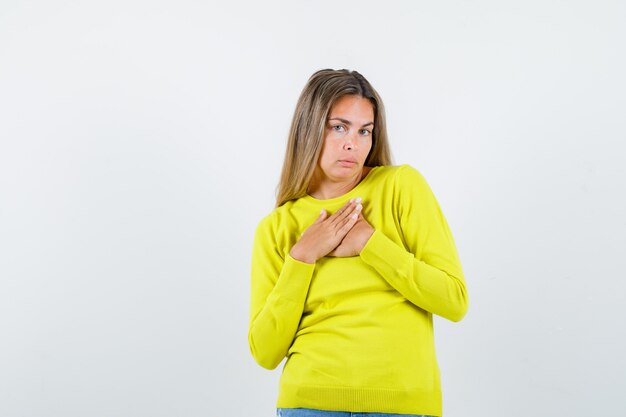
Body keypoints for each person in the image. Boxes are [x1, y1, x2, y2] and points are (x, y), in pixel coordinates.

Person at [248, 69, 469, 417]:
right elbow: (264, 351)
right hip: (310, 404)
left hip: (403, 404)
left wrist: (371, 243)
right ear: (309, 128)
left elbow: (453, 300)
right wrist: (302, 257)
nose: (353, 143)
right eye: (339, 127)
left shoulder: (401, 187)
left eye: (364, 130)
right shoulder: (277, 227)